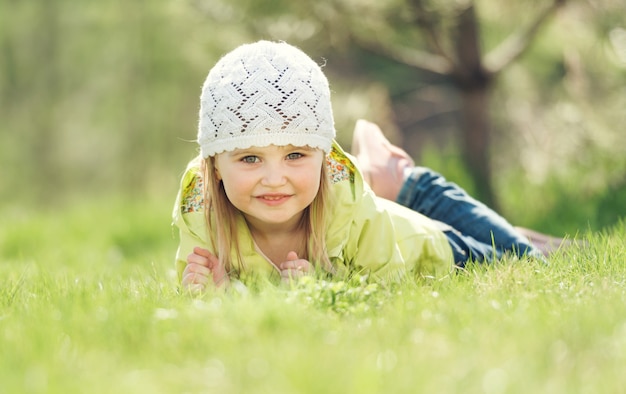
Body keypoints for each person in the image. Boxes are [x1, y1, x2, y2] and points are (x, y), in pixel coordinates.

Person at [172, 40, 546, 293]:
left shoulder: (345, 203)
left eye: (296, 155)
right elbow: (205, 299)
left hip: (437, 242)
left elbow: (390, 288)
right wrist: (219, 291)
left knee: (529, 261)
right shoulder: (200, 210)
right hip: (381, 211)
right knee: (533, 245)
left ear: (324, 157)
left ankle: (407, 186)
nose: (274, 179)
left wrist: (324, 287)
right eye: (250, 158)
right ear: (215, 166)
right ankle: (382, 179)